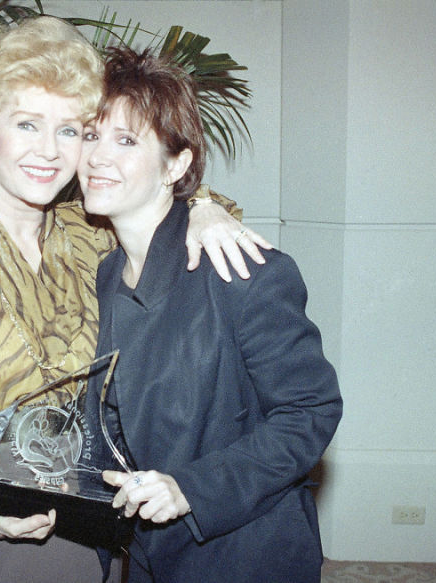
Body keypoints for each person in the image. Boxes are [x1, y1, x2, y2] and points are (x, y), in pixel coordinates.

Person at [0, 16, 270, 582]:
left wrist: (204, 206)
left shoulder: (88, 234)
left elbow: (165, 189)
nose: (49, 151)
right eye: (27, 124)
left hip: (88, 521)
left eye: (70, 130)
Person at [80, 47, 343, 582]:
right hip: (150, 549)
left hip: (246, 550)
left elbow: (310, 411)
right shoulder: (109, 273)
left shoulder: (242, 269)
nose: (97, 157)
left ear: (176, 164)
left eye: (126, 140)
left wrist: (191, 489)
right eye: (90, 136)